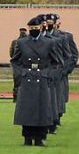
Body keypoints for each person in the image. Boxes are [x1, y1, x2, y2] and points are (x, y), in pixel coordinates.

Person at [11, 16, 61, 146]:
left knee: (42, 109)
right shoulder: (22, 43)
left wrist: (48, 74)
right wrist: (21, 73)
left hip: (42, 78)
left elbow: (56, 62)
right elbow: (15, 61)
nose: (34, 30)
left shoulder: (49, 43)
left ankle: (40, 137)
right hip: (27, 78)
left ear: (40, 28)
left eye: (36, 28)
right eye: (32, 28)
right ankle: (27, 137)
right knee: (27, 109)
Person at [9, 27, 28, 102]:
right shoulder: (29, 43)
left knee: (17, 83)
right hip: (25, 65)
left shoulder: (15, 42)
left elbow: (11, 54)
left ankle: (16, 98)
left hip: (17, 65)